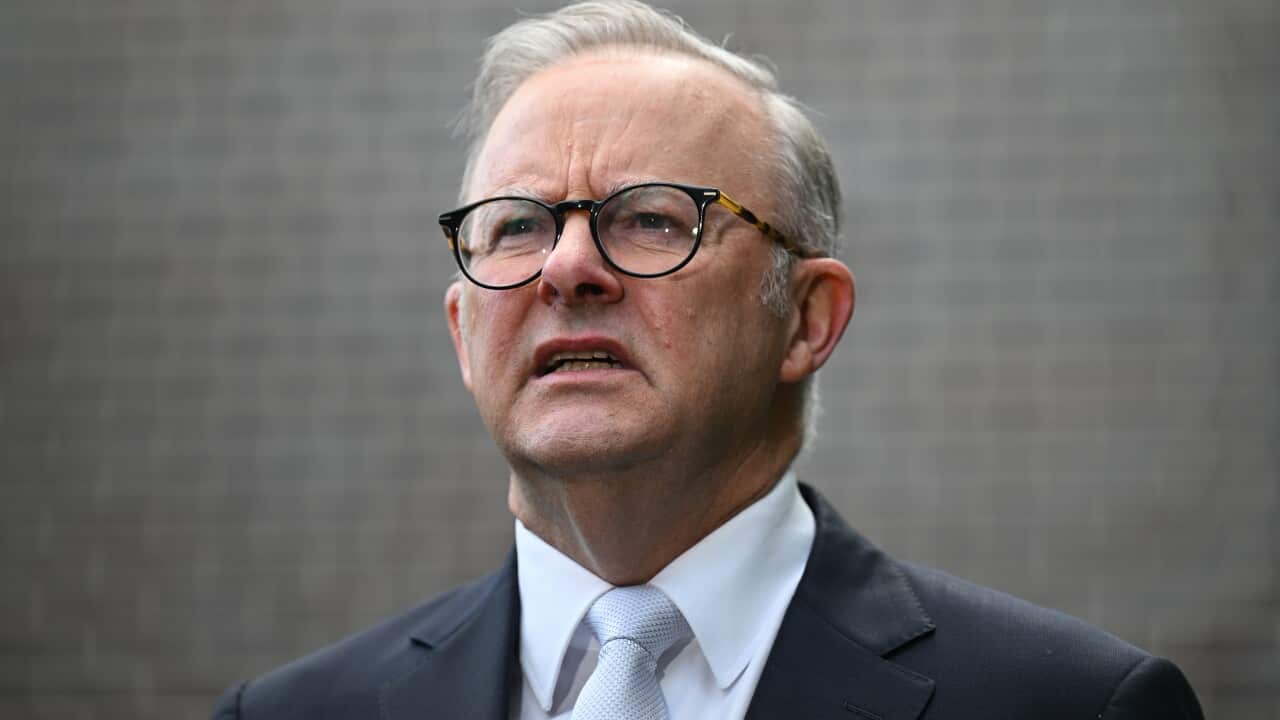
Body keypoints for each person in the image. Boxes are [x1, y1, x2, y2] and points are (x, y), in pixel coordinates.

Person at [212, 2, 1204, 718]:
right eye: (513, 227)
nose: (566, 267)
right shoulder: (291, 713)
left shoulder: (1070, 705)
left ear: (807, 320)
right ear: (464, 334)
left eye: (648, 218)